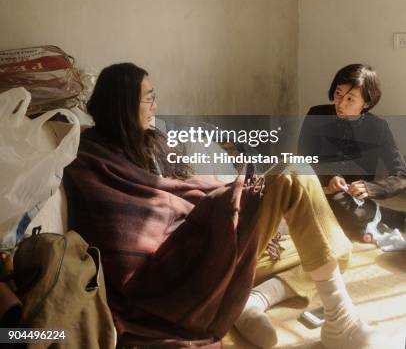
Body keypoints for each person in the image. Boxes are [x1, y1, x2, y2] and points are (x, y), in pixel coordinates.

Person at [64, 63, 387, 349]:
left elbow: (189, 190)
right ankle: (341, 323)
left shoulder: (152, 143)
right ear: (122, 105)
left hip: (207, 240)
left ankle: (250, 301)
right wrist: (236, 210)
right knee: (294, 170)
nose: (155, 106)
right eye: (148, 98)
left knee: (335, 248)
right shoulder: (91, 160)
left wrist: (244, 210)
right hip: (181, 266)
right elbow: (130, 235)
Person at [298, 63, 406, 239]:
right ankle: (378, 218)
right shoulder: (316, 114)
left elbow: (401, 175)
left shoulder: (378, 128)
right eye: (338, 94)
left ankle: (381, 216)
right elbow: (304, 157)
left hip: (350, 198)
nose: (340, 103)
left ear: (367, 102)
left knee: (345, 208)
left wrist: (370, 188)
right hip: (317, 187)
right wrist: (329, 177)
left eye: (350, 99)